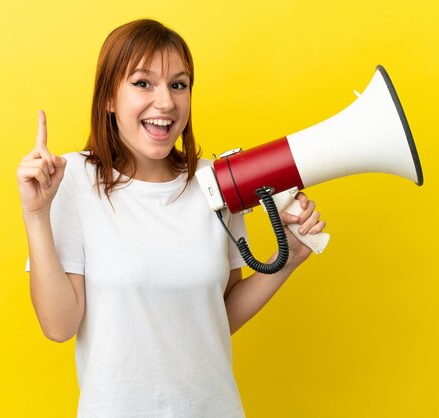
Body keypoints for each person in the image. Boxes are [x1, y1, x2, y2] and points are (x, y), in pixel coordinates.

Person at [17, 19, 325, 418]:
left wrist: (292, 255)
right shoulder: (71, 180)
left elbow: (218, 315)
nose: (165, 103)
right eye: (143, 83)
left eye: (178, 85)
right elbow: (59, 326)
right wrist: (37, 214)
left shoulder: (216, 182)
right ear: (109, 97)